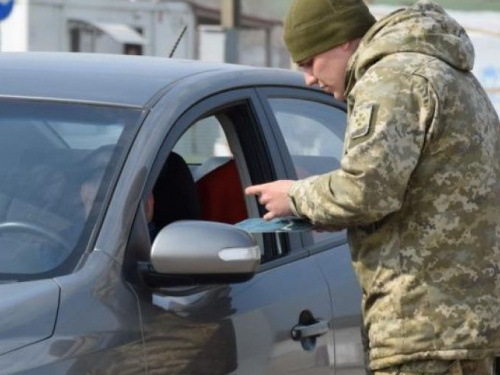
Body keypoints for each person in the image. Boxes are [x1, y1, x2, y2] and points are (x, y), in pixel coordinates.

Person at [246, 0, 500, 374]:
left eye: (309, 62)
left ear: (342, 42)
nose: (308, 79)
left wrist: (295, 197)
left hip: (420, 327)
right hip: (465, 323)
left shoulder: (390, 81)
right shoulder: (443, 71)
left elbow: (366, 191)